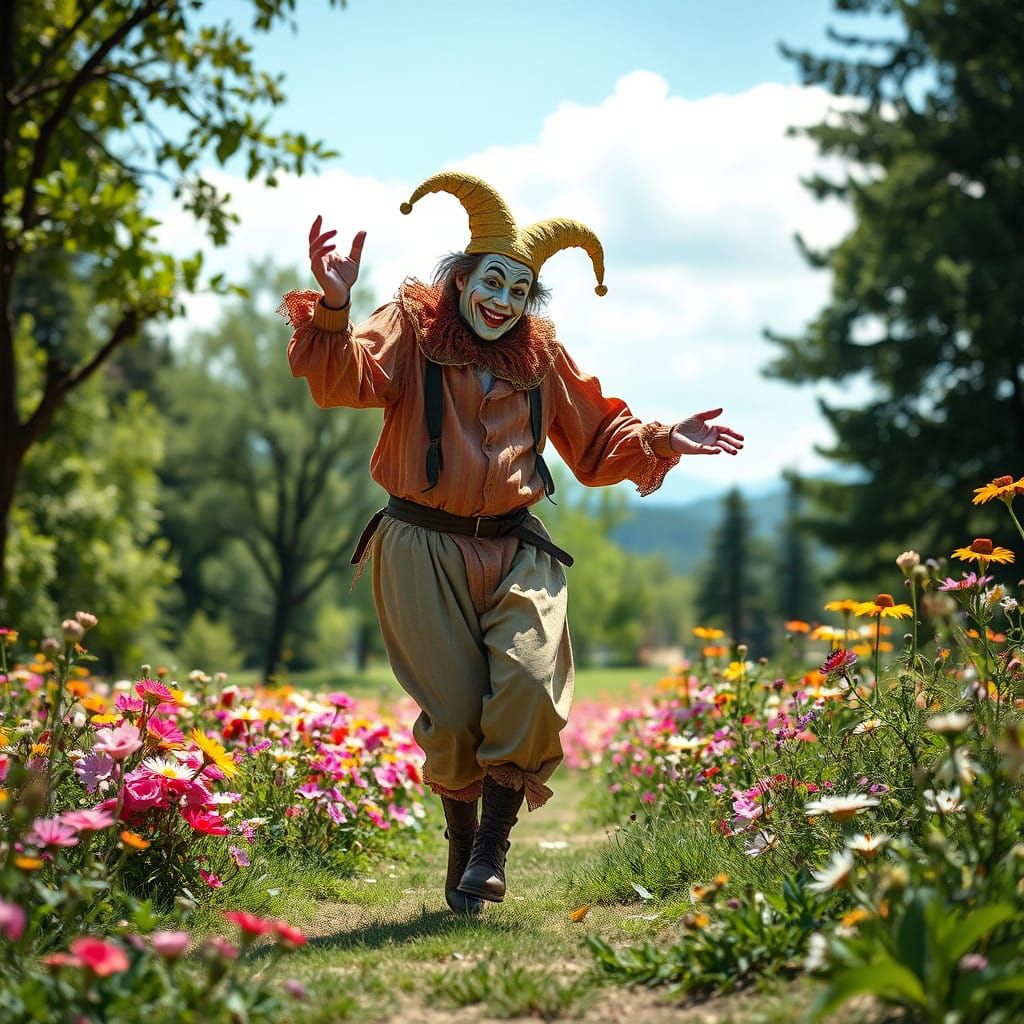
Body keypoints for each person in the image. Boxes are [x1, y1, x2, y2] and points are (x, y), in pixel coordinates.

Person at [281, 172, 743, 915]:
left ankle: (493, 844)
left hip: (517, 547)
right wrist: (334, 304)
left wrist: (663, 437)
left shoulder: (540, 354)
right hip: (419, 547)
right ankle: (462, 844)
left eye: (519, 291)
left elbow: (595, 443)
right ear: (462, 279)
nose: (502, 300)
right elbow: (344, 378)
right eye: (491, 282)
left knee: (530, 682)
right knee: (458, 717)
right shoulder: (413, 326)